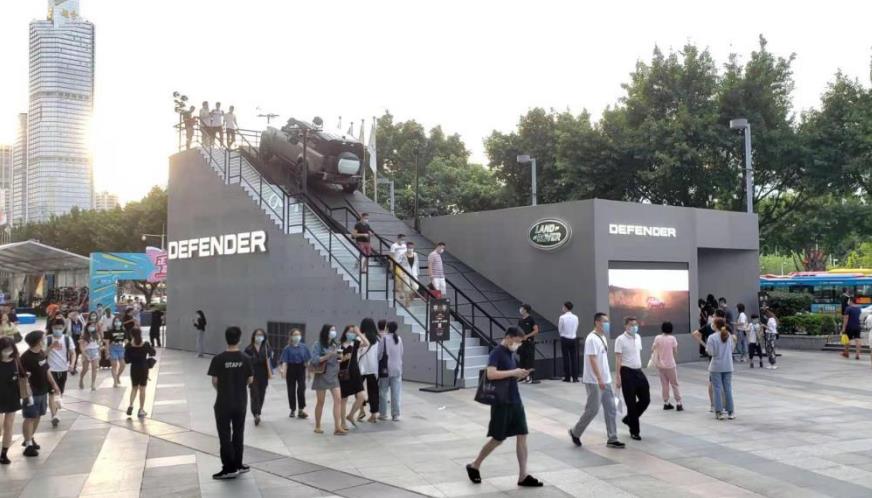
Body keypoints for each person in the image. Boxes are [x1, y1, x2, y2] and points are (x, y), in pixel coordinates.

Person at [466, 327, 543, 488]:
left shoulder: (510, 354)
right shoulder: (497, 353)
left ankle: (523, 476)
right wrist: (513, 372)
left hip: (515, 400)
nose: (518, 345)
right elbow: (491, 374)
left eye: (520, 343)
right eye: (517, 342)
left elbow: (509, 375)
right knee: (498, 438)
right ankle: (475, 465)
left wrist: (520, 374)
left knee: (522, 434)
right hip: (501, 402)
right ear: (508, 337)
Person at [568, 312, 624, 449]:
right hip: (594, 381)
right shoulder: (591, 339)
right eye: (605, 321)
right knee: (592, 409)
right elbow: (592, 359)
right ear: (597, 322)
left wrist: (606, 378)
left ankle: (612, 438)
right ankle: (575, 432)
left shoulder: (602, 337)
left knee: (611, 408)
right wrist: (599, 378)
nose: (607, 324)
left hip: (605, 379)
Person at [208, 326, 253, 480]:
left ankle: (229, 468)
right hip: (240, 402)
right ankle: (238, 464)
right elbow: (250, 379)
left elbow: (215, 381)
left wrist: (222, 390)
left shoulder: (218, 359)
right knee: (238, 433)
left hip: (223, 402)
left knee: (225, 435)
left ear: (226, 339)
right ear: (239, 339)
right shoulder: (246, 358)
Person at [20, 331, 61, 457]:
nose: (45, 340)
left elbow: (47, 370)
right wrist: (26, 394)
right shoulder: (25, 358)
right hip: (31, 393)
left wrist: (54, 384)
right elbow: (23, 378)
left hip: (43, 390)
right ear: (38, 341)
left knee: (38, 416)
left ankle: (30, 438)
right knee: (29, 417)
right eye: (43, 339)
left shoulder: (41, 353)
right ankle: (28, 445)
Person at [692, 318, 736, 420]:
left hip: (716, 366)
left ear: (715, 325)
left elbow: (711, 352)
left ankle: (719, 412)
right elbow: (732, 349)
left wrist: (706, 348)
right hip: (728, 365)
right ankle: (730, 412)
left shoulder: (712, 337)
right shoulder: (729, 335)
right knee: (728, 389)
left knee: (717, 389)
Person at [614, 317, 649, 440]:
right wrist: (618, 376)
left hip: (638, 371)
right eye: (631, 325)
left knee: (645, 399)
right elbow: (618, 359)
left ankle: (629, 419)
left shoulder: (638, 337)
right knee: (631, 403)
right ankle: (634, 431)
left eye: (635, 324)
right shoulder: (620, 339)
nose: (634, 327)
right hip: (627, 372)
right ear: (625, 326)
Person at [310, 324, 344, 435]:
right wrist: (328, 356)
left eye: (334, 330)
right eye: (331, 330)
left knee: (338, 400)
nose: (334, 332)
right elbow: (314, 360)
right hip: (322, 375)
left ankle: (337, 427)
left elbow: (339, 359)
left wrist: (340, 357)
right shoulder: (318, 344)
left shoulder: (336, 343)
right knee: (321, 401)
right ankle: (317, 426)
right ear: (326, 332)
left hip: (334, 375)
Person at [338, 325, 368, 431]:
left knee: (362, 396)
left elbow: (367, 343)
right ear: (345, 332)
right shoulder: (340, 345)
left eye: (353, 332)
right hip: (344, 373)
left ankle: (350, 415)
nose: (352, 334)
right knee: (344, 399)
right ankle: (342, 423)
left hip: (355, 373)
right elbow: (338, 360)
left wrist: (359, 333)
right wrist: (344, 358)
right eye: (350, 331)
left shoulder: (355, 343)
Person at [46, 318, 74, 427]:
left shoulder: (67, 339)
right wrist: (51, 347)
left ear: (63, 328)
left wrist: (72, 364)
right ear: (52, 328)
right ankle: (54, 415)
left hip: (63, 369)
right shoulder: (47, 339)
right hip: (50, 370)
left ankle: (56, 413)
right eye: (55, 328)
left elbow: (73, 353)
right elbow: (42, 354)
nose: (57, 330)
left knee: (59, 393)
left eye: (60, 328)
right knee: (52, 393)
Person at [0, 337, 23, 464]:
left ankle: (4, 454)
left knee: (9, 425)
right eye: (4, 349)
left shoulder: (15, 360)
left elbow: (23, 374)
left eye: (9, 349)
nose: (7, 351)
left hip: (12, 396)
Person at [124, 328, 156, 418]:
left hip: (134, 368)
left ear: (131, 335)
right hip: (144, 367)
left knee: (134, 388)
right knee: (142, 389)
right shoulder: (145, 344)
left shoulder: (129, 345)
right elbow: (153, 353)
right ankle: (141, 410)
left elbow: (126, 360)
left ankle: (131, 405)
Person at [279, 329, 310, 419]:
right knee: (291, 390)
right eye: (295, 335)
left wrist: (309, 372)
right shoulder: (287, 348)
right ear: (291, 336)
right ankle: (292, 409)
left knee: (301, 389)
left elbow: (307, 360)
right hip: (291, 369)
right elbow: (284, 361)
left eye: (299, 334)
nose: (297, 336)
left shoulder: (304, 347)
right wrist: (284, 372)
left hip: (301, 369)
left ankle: (301, 409)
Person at [243, 328, 272, 426]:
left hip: (263, 374)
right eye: (257, 335)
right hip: (253, 374)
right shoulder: (248, 349)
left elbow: (270, 361)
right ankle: (256, 414)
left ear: (264, 337)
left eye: (261, 335)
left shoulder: (267, 348)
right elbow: (245, 363)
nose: (259, 337)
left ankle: (258, 412)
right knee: (254, 393)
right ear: (254, 336)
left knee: (261, 394)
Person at [652, 321, 682, 410]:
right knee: (674, 384)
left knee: (664, 384)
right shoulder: (672, 338)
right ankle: (678, 403)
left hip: (661, 365)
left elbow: (652, 348)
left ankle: (666, 402)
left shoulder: (657, 338)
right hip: (671, 365)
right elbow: (675, 351)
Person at [377, 321, 404, 421]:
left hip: (385, 370)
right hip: (397, 369)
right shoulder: (399, 339)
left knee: (383, 392)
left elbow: (379, 354)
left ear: (387, 328)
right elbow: (401, 353)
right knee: (396, 393)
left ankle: (383, 414)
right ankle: (395, 415)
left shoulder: (383, 339)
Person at [356, 318, 381, 423]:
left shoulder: (359, 338)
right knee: (373, 392)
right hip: (373, 368)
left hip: (360, 368)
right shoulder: (378, 339)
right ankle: (374, 414)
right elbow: (379, 355)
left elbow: (356, 353)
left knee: (357, 390)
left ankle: (361, 410)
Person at [558, 301, 579, 382]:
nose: (562, 308)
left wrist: (562, 334)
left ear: (566, 307)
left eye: (563, 307)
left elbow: (560, 329)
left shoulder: (562, 317)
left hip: (565, 338)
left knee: (566, 358)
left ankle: (567, 377)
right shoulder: (576, 317)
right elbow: (576, 327)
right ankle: (575, 377)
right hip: (573, 338)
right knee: (574, 358)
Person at [517, 304, 539, 383]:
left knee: (529, 360)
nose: (520, 310)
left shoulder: (531, 319)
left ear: (525, 310)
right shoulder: (520, 320)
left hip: (529, 342)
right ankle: (522, 377)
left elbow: (536, 330)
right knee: (522, 360)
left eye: (522, 308)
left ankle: (530, 377)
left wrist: (527, 336)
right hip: (521, 343)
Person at [78, 317, 101, 391]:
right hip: (86, 352)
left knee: (94, 368)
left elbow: (98, 345)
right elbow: (81, 347)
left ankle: (93, 384)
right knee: (85, 369)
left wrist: (99, 354)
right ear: (87, 327)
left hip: (95, 351)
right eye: (90, 326)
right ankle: (81, 379)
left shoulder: (96, 335)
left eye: (93, 326)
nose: (92, 327)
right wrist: (85, 355)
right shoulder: (84, 336)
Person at [105, 315, 128, 387]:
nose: (117, 323)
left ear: (121, 322)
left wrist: (127, 348)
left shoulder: (124, 330)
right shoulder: (110, 331)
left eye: (119, 321)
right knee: (114, 365)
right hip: (113, 348)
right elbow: (107, 342)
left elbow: (126, 340)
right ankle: (115, 381)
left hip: (121, 348)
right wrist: (107, 351)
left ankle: (118, 376)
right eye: (116, 321)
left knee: (123, 364)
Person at [398, 242, 420, 306]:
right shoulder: (403, 255)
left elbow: (417, 265)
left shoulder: (415, 255)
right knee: (407, 288)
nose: (411, 249)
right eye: (409, 247)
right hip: (405, 273)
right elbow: (399, 264)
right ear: (407, 247)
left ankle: (410, 296)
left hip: (414, 273)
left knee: (416, 287)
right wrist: (401, 273)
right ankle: (407, 301)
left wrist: (418, 274)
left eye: (412, 247)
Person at [67, 309, 85, 375]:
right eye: (73, 315)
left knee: (77, 353)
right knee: (72, 353)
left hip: (79, 339)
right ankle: (72, 367)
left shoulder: (80, 321)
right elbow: (68, 331)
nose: (75, 316)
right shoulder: (69, 321)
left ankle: (74, 367)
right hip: (72, 339)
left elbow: (83, 327)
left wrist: (82, 337)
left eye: (76, 315)